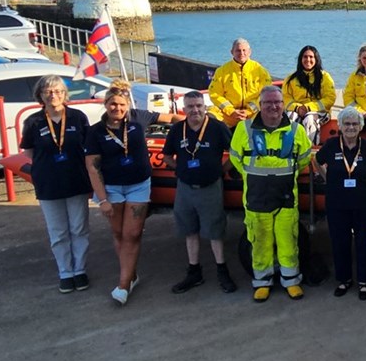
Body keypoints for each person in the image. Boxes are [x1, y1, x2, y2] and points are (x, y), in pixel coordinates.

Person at [85, 79, 177, 305]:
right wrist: (103, 199)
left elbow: (172, 118)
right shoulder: (95, 132)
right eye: (113, 104)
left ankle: (123, 283)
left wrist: (194, 123)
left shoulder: (138, 117)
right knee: (118, 233)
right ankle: (131, 274)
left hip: (139, 184)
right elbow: (92, 166)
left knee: (132, 233)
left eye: (121, 105)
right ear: (106, 104)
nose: (117, 108)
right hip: (112, 187)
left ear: (128, 105)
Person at [230, 85, 313, 302]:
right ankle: (262, 283)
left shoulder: (296, 130)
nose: (273, 107)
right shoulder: (244, 129)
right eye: (268, 103)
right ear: (260, 105)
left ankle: (291, 281)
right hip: (256, 198)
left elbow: (304, 158)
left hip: (286, 197)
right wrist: (255, 175)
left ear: (283, 105)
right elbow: (235, 158)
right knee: (259, 243)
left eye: (277, 102)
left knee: (288, 241)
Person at [20, 75, 94, 294]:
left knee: (79, 228)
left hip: (76, 181)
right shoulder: (33, 121)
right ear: (40, 95)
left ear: (64, 94)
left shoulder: (78, 117)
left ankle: (80, 270)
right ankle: (65, 272)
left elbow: (88, 147)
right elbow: (29, 152)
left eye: (58, 91)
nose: (53, 95)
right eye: (48, 92)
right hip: (48, 184)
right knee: (58, 231)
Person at [161, 91, 237, 294]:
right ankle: (194, 272)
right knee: (189, 230)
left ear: (205, 107)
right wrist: (179, 169)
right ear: (184, 109)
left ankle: (222, 270)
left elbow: (235, 152)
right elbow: (167, 155)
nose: (195, 110)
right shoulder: (178, 129)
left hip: (210, 186)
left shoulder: (217, 128)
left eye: (198, 106)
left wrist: (223, 169)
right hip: (185, 188)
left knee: (215, 231)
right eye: (191, 106)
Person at [315, 107, 366, 301]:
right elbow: (316, 161)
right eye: (347, 124)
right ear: (340, 126)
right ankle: (343, 280)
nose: (351, 127)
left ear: (360, 127)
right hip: (337, 203)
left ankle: (363, 282)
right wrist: (327, 179)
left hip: (361, 202)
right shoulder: (331, 145)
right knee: (339, 243)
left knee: (362, 244)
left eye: (354, 124)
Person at [208, 38, 273, 129]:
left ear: (250, 52)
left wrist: (249, 111)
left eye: (244, 50)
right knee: (210, 116)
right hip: (228, 114)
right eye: (238, 50)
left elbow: (266, 95)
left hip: (252, 113)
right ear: (232, 52)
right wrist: (231, 111)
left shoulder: (261, 71)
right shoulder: (222, 71)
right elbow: (215, 94)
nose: (241, 53)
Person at [283, 45, 337, 144]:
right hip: (297, 110)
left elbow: (330, 98)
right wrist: (297, 108)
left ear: (316, 59)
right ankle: (290, 149)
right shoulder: (291, 78)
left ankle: (309, 149)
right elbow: (285, 97)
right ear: (300, 59)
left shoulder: (325, 77)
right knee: (290, 117)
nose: (308, 59)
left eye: (311, 57)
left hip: (320, 112)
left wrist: (309, 107)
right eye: (305, 57)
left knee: (309, 119)